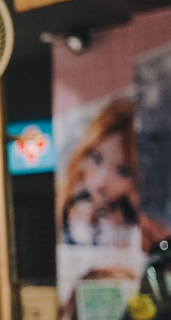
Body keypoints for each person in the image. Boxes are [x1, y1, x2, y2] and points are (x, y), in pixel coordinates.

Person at [58, 98, 143, 248]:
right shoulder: (68, 205)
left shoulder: (132, 213)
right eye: (96, 158)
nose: (102, 182)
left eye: (123, 171)